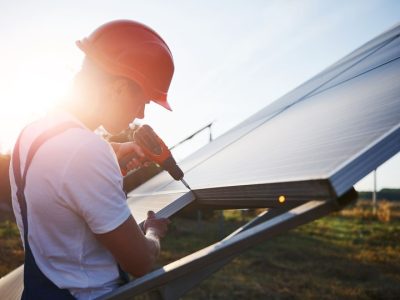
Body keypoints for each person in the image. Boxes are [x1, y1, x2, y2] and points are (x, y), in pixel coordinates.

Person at [9, 20, 173, 299]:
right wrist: (153, 232)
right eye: (143, 100)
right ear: (119, 88)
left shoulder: (31, 134)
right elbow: (141, 262)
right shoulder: (85, 151)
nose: (142, 115)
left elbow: (63, 182)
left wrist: (109, 153)